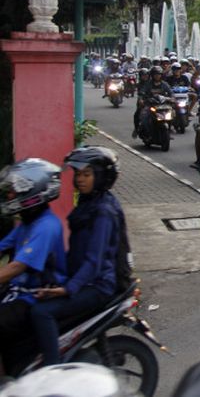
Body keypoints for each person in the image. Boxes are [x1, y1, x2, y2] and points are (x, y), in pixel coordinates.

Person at [29, 147, 125, 367]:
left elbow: (94, 261)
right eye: (78, 174)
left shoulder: (103, 212)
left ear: (101, 176)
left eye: (87, 174)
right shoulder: (88, 202)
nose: (80, 179)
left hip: (97, 285)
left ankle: (53, 370)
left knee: (41, 312)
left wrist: (68, 289)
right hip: (79, 278)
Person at [0, 159, 68, 376]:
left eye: (15, 191)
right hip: (17, 293)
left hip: (34, 297)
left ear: (33, 192)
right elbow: (3, 246)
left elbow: (17, 267)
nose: (10, 196)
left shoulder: (46, 226)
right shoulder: (27, 223)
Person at [133, 66, 172, 138]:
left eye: (159, 74)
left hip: (161, 105)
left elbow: (171, 93)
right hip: (150, 104)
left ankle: (168, 131)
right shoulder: (148, 84)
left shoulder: (164, 84)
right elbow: (142, 92)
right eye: (156, 74)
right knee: (141, 115)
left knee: (169, 115)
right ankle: (140, 130)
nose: (157, 76)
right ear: (152, 75)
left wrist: (172, 98)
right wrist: (141, 99)